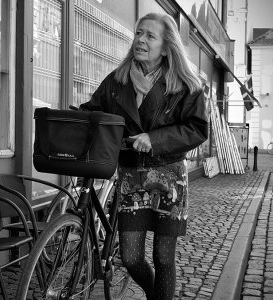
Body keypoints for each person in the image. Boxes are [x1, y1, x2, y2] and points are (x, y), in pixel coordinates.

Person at [80, 12, 208, 299]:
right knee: (131, 257)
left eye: (150, 35)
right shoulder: (117, 81)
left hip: (169, 178)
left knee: (163, 258)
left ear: (166, 46)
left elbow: (197, 129)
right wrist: (70, 119)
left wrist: (154, 139)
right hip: (131, 178)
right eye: (138, 33)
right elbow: (93, 110)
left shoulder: (186, 84)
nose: (140, 39)